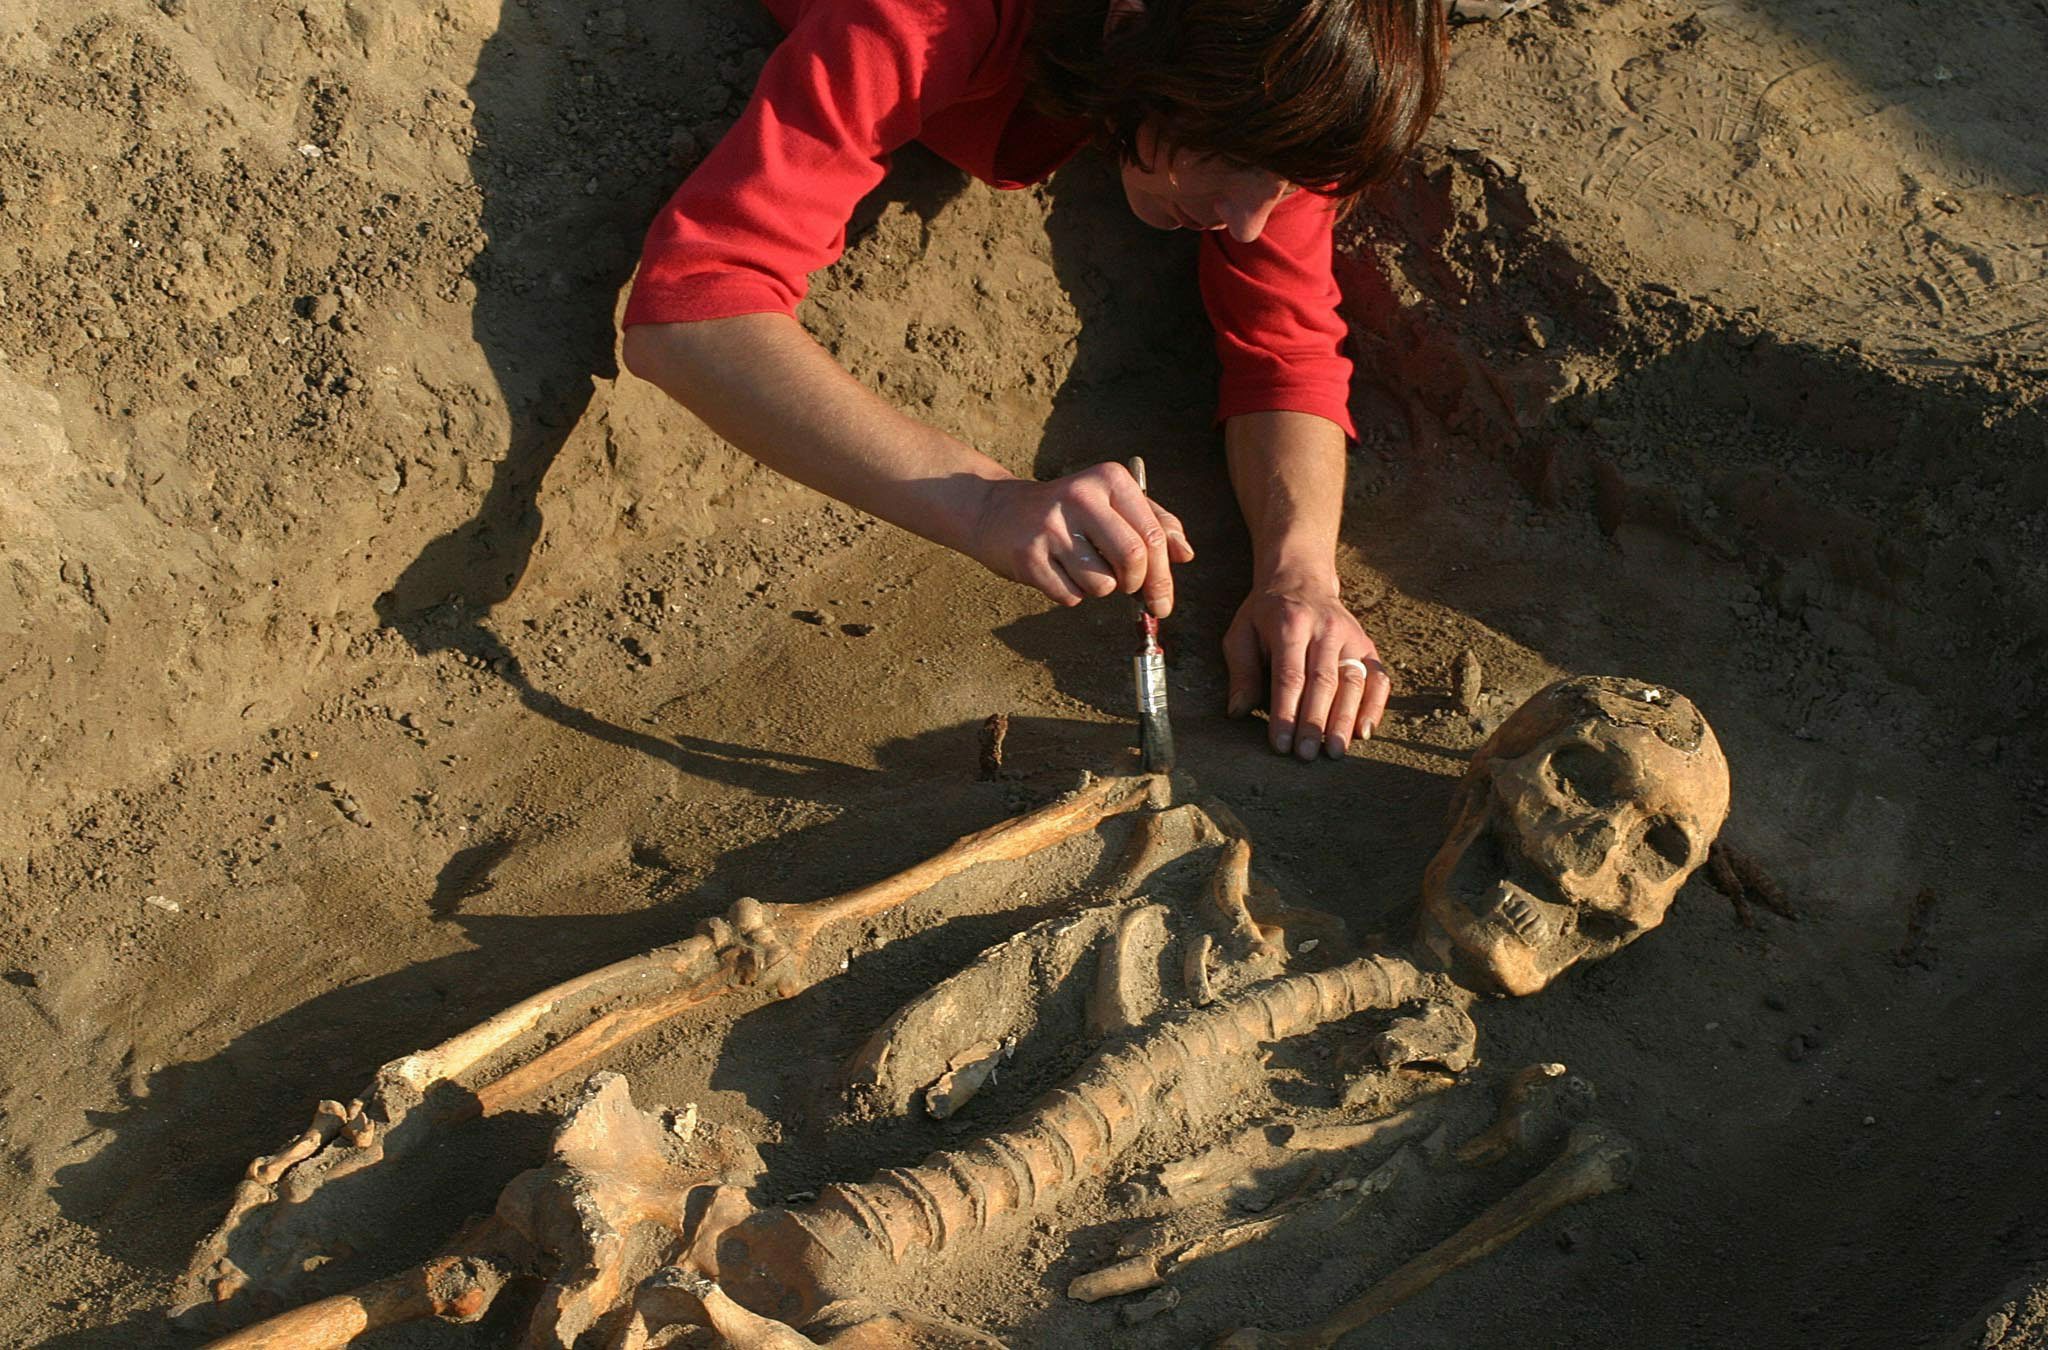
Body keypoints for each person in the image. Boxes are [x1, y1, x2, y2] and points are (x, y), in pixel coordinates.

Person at [620, 0, 1447, 760]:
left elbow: (1287, 349)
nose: (1250, 224)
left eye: (1288, 183)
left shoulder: (1269, 74)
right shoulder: (929, 14)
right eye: (1234, 164)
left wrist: (1299, 575)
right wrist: (988, 503)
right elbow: (691, 315)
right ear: (1130, 27)